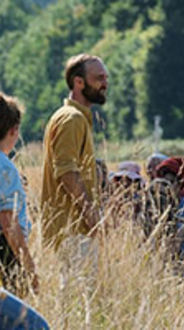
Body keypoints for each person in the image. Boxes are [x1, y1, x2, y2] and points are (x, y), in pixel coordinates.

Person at [41, 53, 108, 249]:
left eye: (105, 78)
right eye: (99, 78)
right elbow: (66, 172)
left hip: (73, 231)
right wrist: (92, 218)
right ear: (78, 82)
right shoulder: (72, 119)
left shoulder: (75, 117)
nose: (105, 84)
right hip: (72, 231)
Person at [0, 92, 38, 295]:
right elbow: (8, 222)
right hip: (6, 256)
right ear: (14, 130)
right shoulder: (5, 168)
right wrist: (29, 268)